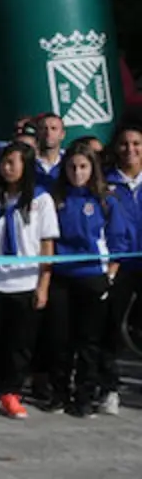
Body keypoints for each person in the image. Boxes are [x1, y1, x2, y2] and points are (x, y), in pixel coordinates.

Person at [0, 142, 58, 420]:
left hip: (24, 282)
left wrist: (43, 284)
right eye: (4, 162)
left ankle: (10, 392)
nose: (7, 168)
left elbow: (46, 245)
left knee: (19, 343)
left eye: (13, 163)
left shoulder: (41, 200)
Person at [47, 142, 124, 417]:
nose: (77, 173)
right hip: (61, 277)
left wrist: (109, 276)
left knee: (89, 341)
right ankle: (59, 392)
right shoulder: (55, 198)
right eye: (72, 167)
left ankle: (84, 395)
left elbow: (118, 242)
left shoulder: (105, 200)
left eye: (83, 167)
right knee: (60, 338)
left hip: (92, 276)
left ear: (93, 169)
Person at [102, 124, 142, 416]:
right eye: (125, 144)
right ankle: (109, 388)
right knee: (111, 326)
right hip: (119, 264)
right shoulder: (106, 185)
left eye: (137, 144)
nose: (131, 150)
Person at [34, 113, 65, 187]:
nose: (48, 133)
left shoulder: (69, 162)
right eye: (43, 128)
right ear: (37, 133)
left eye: (53, 128)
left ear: (62, 134)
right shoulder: (28, 161)